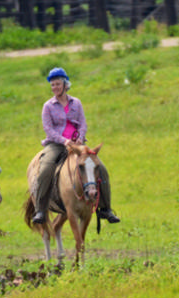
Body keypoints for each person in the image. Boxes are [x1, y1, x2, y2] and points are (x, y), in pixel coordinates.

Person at [31, 67, 120, 225]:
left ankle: (105, 209)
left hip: (78, 145)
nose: (54, 88)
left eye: (57, 84)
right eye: (52, 85)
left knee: (102, 169)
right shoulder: (48, 106)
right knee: (45, 169)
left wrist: (79, 138)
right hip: (56, 144)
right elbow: (49, 130)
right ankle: (40, 209)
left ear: (65, 84)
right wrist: (64, 141)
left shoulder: (76, 103)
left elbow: (83, 124)